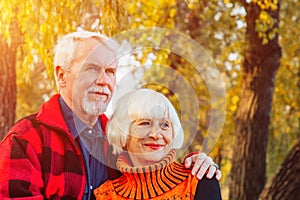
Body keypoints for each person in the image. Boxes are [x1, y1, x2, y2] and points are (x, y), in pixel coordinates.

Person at [0, 31, 220, 200]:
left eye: (111, 72)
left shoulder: (118, 143)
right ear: (62, 76)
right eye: (92, 69)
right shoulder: (26, 140)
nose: (103, 81)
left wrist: (198, 162)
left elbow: (154, 172)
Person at [94, 88, 222, 199]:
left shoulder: (200, 182)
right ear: (123, 132)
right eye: (145, 123)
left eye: (165, 125)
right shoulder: (105, 195)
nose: (156, 134)